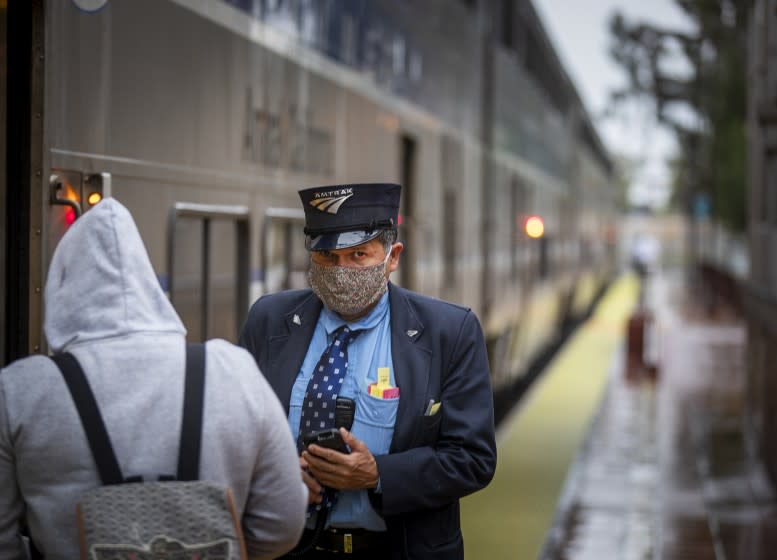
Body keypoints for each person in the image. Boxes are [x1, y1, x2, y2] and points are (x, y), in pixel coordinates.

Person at [0, 198, 307, 559]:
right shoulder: (232, 371)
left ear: (60, 289)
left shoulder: (20, 391)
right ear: (147, 281)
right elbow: (283, 525)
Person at [239, 183, 497, 559]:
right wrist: (272, 474)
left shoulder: (449, 332)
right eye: (327, 256)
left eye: (358, 254)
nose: (341, 270)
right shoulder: (269, 320)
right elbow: (235, 431)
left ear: (392, 257)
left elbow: (474, 459)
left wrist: (378, 475)